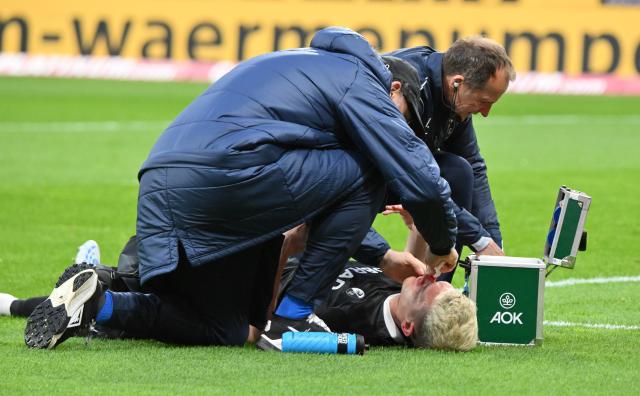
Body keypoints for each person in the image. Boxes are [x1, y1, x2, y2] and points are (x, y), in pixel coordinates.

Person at [23, 27, 460, 350]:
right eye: (405, 120)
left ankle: (99, 302)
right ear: (395, 89)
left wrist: (380, 255)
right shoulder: (364, 86)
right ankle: (294, 316)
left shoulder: (308, 64)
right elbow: (419, 180)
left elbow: (320, 197)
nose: (401, 130)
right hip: (228, 179)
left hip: (167, 182)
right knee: (379, 165)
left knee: (231, 330)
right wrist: (443, 243)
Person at [5, 238, 478, 351]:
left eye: (429, 289)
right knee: (135, 276)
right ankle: (92, 282)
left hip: (249, 276)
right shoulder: (397, 293)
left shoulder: (355, 329)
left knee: (139, 282)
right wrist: (417, 229)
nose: (429, 278)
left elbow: (270, 328)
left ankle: (24, 303)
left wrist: (287, 248)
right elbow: (418, 267)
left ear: (410, 326)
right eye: (436, 280)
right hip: (251, 257)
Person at [356, 37, 516, 283]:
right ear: (457, 83)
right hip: (352, 174)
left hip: (397, 173)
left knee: (458, 171)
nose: (485, 113)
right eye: (484, 102)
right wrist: (479, 239)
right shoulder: (406, 88)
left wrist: (494, 244)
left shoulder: (454, 96)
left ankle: (435, 292)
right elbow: (416, 177)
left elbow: (473, 164)